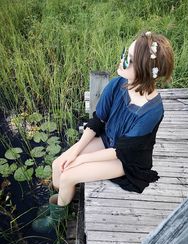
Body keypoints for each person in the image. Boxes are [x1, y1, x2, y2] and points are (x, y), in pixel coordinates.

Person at [32, 31, 174, 233]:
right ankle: (62, 202)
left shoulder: (152, 110)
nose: (122, 60)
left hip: (126, 159)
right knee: (58, 165)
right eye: (125, 54)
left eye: (129, 60)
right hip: (107, 140)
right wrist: (75, 151)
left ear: (143, 70)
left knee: (68, 175)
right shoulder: (117, 84)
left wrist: (81, 160)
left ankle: (58, 220)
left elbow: (122, 151)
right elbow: (98, 120)